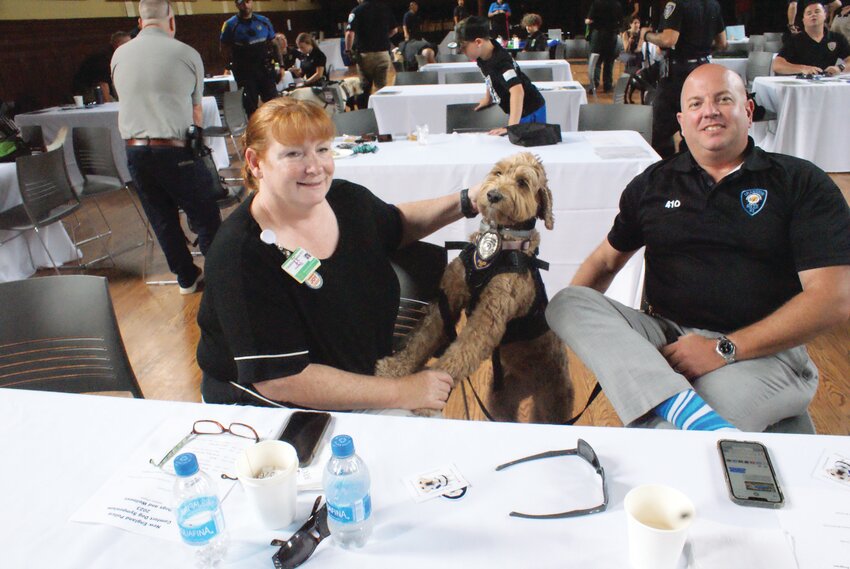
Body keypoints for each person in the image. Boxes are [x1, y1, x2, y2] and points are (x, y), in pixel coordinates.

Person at [545, 64, 850, 433]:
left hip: (764, 351)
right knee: (567, 301)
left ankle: (681, 417)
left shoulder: (800, 182)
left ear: (748, 111)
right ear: (682, 119)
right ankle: (679, 404)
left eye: (724, 99)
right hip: (667, 336)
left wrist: (722, 349)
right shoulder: (653, 184)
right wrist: (589, 339)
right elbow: (605, 260)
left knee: (666, 436)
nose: (710, 111)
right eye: (696, 103)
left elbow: (834, 299)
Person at [196, 98, 485, 412]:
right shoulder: (239, 255)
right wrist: (401, 391)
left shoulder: (344, 199)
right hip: (274, 411)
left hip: (363, 381)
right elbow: (281, 380)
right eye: (293, 153)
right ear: (255, 162)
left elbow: (396, 224)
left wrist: (467, 201)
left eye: (322, 149)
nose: (315, 167)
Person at [112, 0, 221, 294]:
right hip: (175, 147)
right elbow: (196, 111)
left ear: (139, 22)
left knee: (161, 216)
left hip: (134, 150)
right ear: (171, 20)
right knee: (204, 214)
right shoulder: (186, 53)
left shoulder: (119, 55)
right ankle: (222, 279)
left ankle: (186, 278)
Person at [643, 0, 726, 158]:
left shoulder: (676, 3)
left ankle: (664, 171)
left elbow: (669, 39)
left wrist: (647, 35)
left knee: (660, 130)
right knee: (695, 126)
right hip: (702, 71)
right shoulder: (713, 5)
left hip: (677, 73)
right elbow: (722, 43)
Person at [456, 16, 547, 135]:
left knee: (526, 145)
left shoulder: (502, 63)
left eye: (463, 48)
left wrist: (511, 128)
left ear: (478, 42)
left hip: (530, 110)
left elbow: (517, 92)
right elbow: (488, 77)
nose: (462, 52)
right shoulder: (483, 54)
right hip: (517, 109)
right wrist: (488, 98)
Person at [220, 0, 278, 116]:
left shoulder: (264, 21)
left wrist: (280, 65)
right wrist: (228, 65)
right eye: (241, 2)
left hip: (264, 69)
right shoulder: (230, 25)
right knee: (250, 107)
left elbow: (275, 44)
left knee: (274, 103)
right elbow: (223, 48)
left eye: (248, 1)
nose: (245, 5)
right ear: (236, 4)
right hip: (245, 72)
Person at [345, 0, 398, 109]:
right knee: (381, 88)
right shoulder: (385, 8)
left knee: (364, 88)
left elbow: (350, 34)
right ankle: (382, 112)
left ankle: (365, 113)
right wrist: (383, 37)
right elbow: (395, 30)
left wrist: (348, 50)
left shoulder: (356, 11)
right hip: (383, 54)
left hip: (365, 56)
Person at [774, 1, 850, 75]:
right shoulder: (794, 40)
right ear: (803, 20)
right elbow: (777, 65)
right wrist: (803, 68)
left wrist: (840, 67)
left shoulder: (837, 38)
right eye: (809, 13)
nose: (813, 15)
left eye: (817, 12)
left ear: (825, 15)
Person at [72, 31, 131, 103]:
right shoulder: (103, 58)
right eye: (129, 44)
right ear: (118, 45)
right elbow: (102, 84)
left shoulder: (119, 56)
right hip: (86, 91)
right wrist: (109, 107)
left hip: (103, 88)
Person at [586, 0, 624, 93]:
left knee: (596, 61)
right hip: (611, 34)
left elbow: (589, 20)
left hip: (598, 34)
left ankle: (594, 85)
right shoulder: (616, 4)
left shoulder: (597, 3)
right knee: (609, 61)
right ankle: (607, 85)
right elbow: (621, 21)